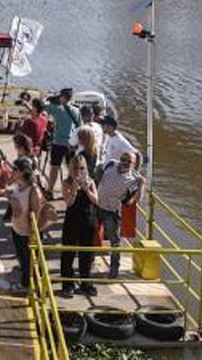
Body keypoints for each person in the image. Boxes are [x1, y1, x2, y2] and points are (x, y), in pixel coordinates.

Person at [95, 151, 145, 279]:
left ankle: (114, 269)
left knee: (114, 241)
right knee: (89, 234)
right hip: (96, 205)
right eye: (123, 159)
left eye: (129, 162)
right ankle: (88, 261)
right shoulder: (110, 164)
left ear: (134, 164)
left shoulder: (134, 179)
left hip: (111, 212)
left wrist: (142, 186)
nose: (125, 163)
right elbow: (98, 175)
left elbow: (134, 201)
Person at [58, 153, 99, 297]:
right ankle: (67, 284)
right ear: (70, 168)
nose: (78, 171)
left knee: (86, 254)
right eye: (75, 168)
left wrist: (86, 189)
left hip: (88, 221)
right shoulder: (66, 182)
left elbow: (96, 201)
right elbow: (68, 202)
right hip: (72, 221)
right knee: (68, 253)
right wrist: (75, 189)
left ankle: (85, 282)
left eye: (81, 168)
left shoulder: (90, 181)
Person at [6, 166, 44, 293]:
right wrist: (11, 199)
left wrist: (32, 233)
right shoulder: (18, 185)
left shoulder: (33, 190)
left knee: (30, 261)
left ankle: (29, 286)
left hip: (27, 232)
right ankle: (27, 281)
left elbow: (36, 214)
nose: (12, 172)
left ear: (22, 172)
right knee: (23, 259)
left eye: (15, 170)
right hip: (17, 229)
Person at [45, 88, 80, 186]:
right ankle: (71, 190)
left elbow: (42, 106)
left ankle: (50, 189)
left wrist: (49, 97)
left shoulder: (57, 109)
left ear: (63, 97)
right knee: (70, 167)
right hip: (71, 144)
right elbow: (79, 127)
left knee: (54, 167)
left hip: (58, 143)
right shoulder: (77, 111)